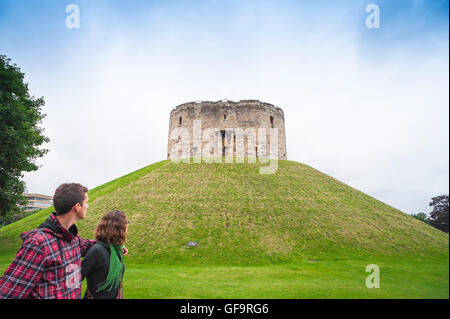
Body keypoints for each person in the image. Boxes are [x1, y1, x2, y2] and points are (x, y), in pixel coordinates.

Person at [0, 183, 128, 299]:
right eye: (87, 202)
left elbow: (91, 245)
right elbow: (8, 292)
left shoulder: (73, 240)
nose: (88, 206)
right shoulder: (39, 243)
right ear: (77, 207)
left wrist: (114, 246)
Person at [82, 210, 128, 299]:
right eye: (126, 225)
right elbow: (75, 281)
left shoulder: (116, 251)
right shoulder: (97, 251)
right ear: (119, 229)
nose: (127, 229)